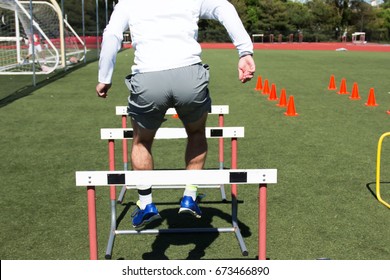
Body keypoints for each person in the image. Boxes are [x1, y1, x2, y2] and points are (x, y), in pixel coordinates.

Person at [96, 0, 256, 228]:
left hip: (149, 78)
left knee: (141, 142)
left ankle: (146, 204)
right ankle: (190, 197)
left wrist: (105, 77)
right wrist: (244, 51)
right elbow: (225, 8)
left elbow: (112, 35)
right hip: (189, 75)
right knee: (197, 133)